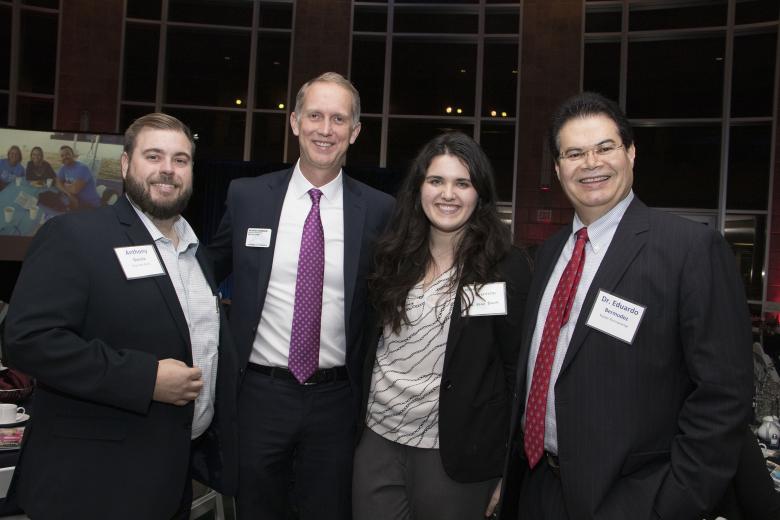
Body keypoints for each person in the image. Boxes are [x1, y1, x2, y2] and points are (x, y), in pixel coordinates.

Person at [499, 92, 753, 520]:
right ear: (559, 169)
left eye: (605, 147)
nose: (591, 163)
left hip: (633, 498)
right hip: (539, 487)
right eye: (574, 153)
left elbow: (724, 396)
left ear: (631, 153)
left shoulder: (689, 249)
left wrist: (673, 503)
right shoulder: (548, 253)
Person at [3, 113, 238, 519]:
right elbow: (27, 340)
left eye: (181, 160)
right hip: (91, 486)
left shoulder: (199, 256)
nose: (168, 169)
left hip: (170, 479)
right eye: (154, 156)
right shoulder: (76, 236)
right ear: (127, 164)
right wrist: (144, 379)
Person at [208, 71, 394, 520]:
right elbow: (203, 271)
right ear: (294, 122)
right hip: (258, 395)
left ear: (355, 132)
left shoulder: (379, 210)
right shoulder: (248, 196)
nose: (325, 130)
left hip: (336, 401)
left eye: (338, 119)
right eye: (314, 115)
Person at [352, 132, 531, 520]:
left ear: (479, 194)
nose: (447, 194)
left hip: (457, 451)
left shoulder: (506, 267)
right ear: (419, 189)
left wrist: (508, 468)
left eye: (462, 183)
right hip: (378, 441)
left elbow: (517, 370)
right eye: (436, 181)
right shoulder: (390, 256)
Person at [55, 144, 101, 209]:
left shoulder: (82, 168)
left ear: (73, 155)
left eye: (67, 154)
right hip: (76, 201)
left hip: (91, 205)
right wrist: (69, 194)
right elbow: (57, 183)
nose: (65, 157)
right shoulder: (64, 168)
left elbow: (75, 190)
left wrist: (65, 185)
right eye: (62, 156)